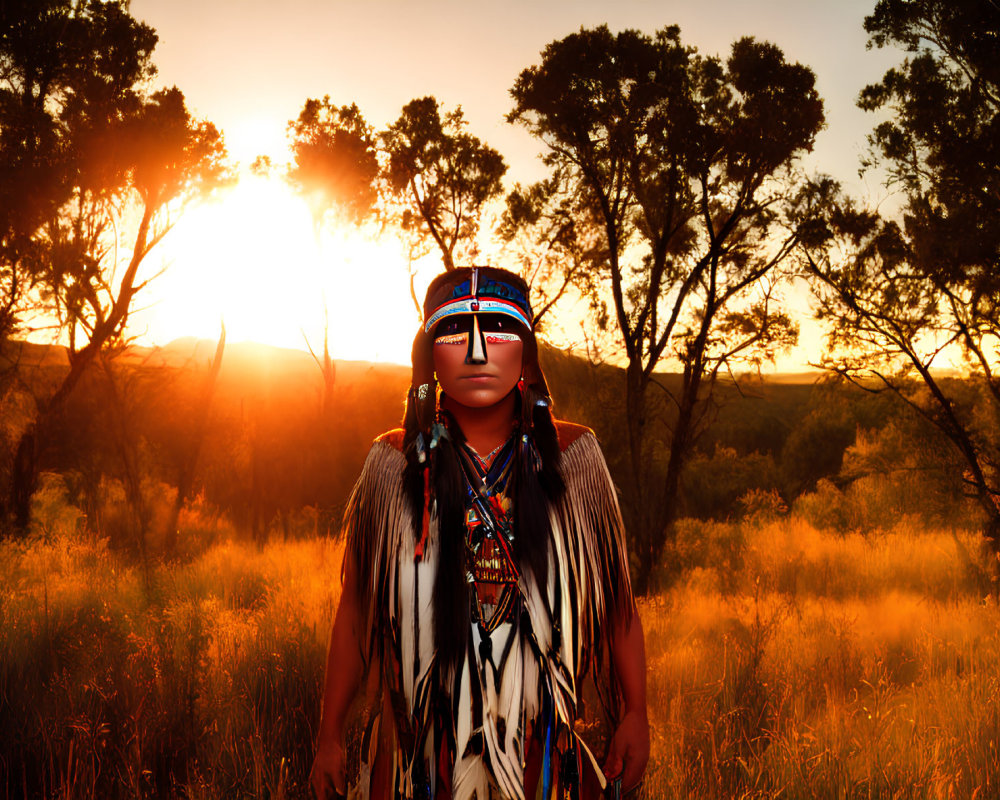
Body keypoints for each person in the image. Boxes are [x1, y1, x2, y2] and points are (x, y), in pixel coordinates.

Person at [310, 267, 648, 799]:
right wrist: (329, 735)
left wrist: (636, 712)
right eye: (452, 333)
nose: (474, 351)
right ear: (429, 356)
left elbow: (616, 601)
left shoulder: (575, 459)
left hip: (541, 754)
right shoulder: (390, 463)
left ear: (527, 352)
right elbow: (355, 606)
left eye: (497, 329)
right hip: (419, 761)